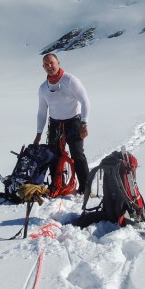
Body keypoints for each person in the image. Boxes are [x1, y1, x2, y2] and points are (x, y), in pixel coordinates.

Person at [34, 52, 90, 193]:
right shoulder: (43, 88)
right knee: (54, 155)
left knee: (77, 154)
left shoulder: (70, 80)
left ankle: (86, 187)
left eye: (51, 62)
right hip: (55, 125)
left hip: (74, 122)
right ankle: (56, 185)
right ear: (43, 67)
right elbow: (42, 111)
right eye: (46, 64)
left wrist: (84, 123)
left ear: (58, 63)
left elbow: (85, 101)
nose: (49, 66)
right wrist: (38, 133)